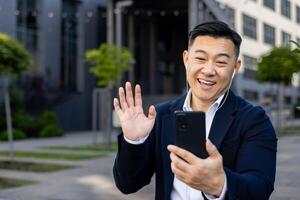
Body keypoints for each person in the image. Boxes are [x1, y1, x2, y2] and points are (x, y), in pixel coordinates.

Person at [113, 21, 277, 200]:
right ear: (186, 59)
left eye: (221, 62)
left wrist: (220, 185)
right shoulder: (161, 115)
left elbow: (260, 188)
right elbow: (127, 184)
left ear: (235, 67)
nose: (208, 70)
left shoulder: (254, 120)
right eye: (200, 58)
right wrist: (134, 141)